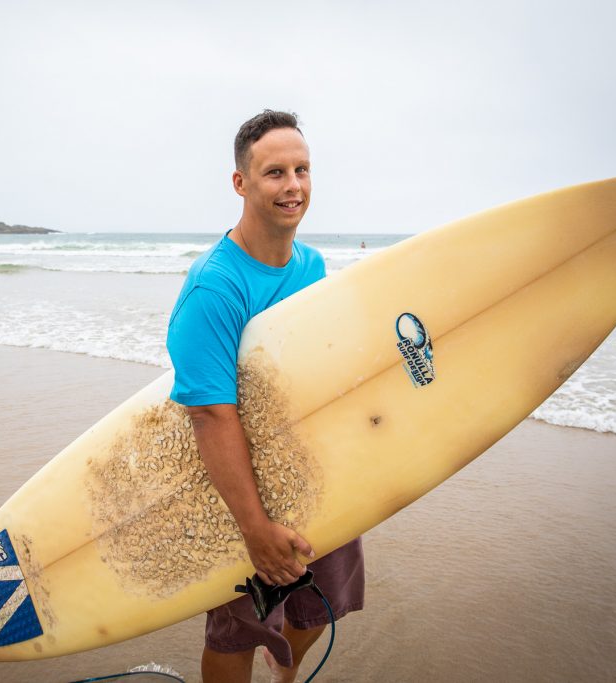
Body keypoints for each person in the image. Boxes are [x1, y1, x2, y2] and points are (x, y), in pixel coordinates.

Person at [166, 110, 364, 683]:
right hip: (239, 485)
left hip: (313, 470)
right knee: (239, 628)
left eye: (302, 170)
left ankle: (285, 678)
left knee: (320, 603)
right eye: (275, 172)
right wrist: (254, 529)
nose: (294, 186)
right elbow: (209, 414)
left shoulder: (313, 266)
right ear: (241, 183)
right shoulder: (214, 288)